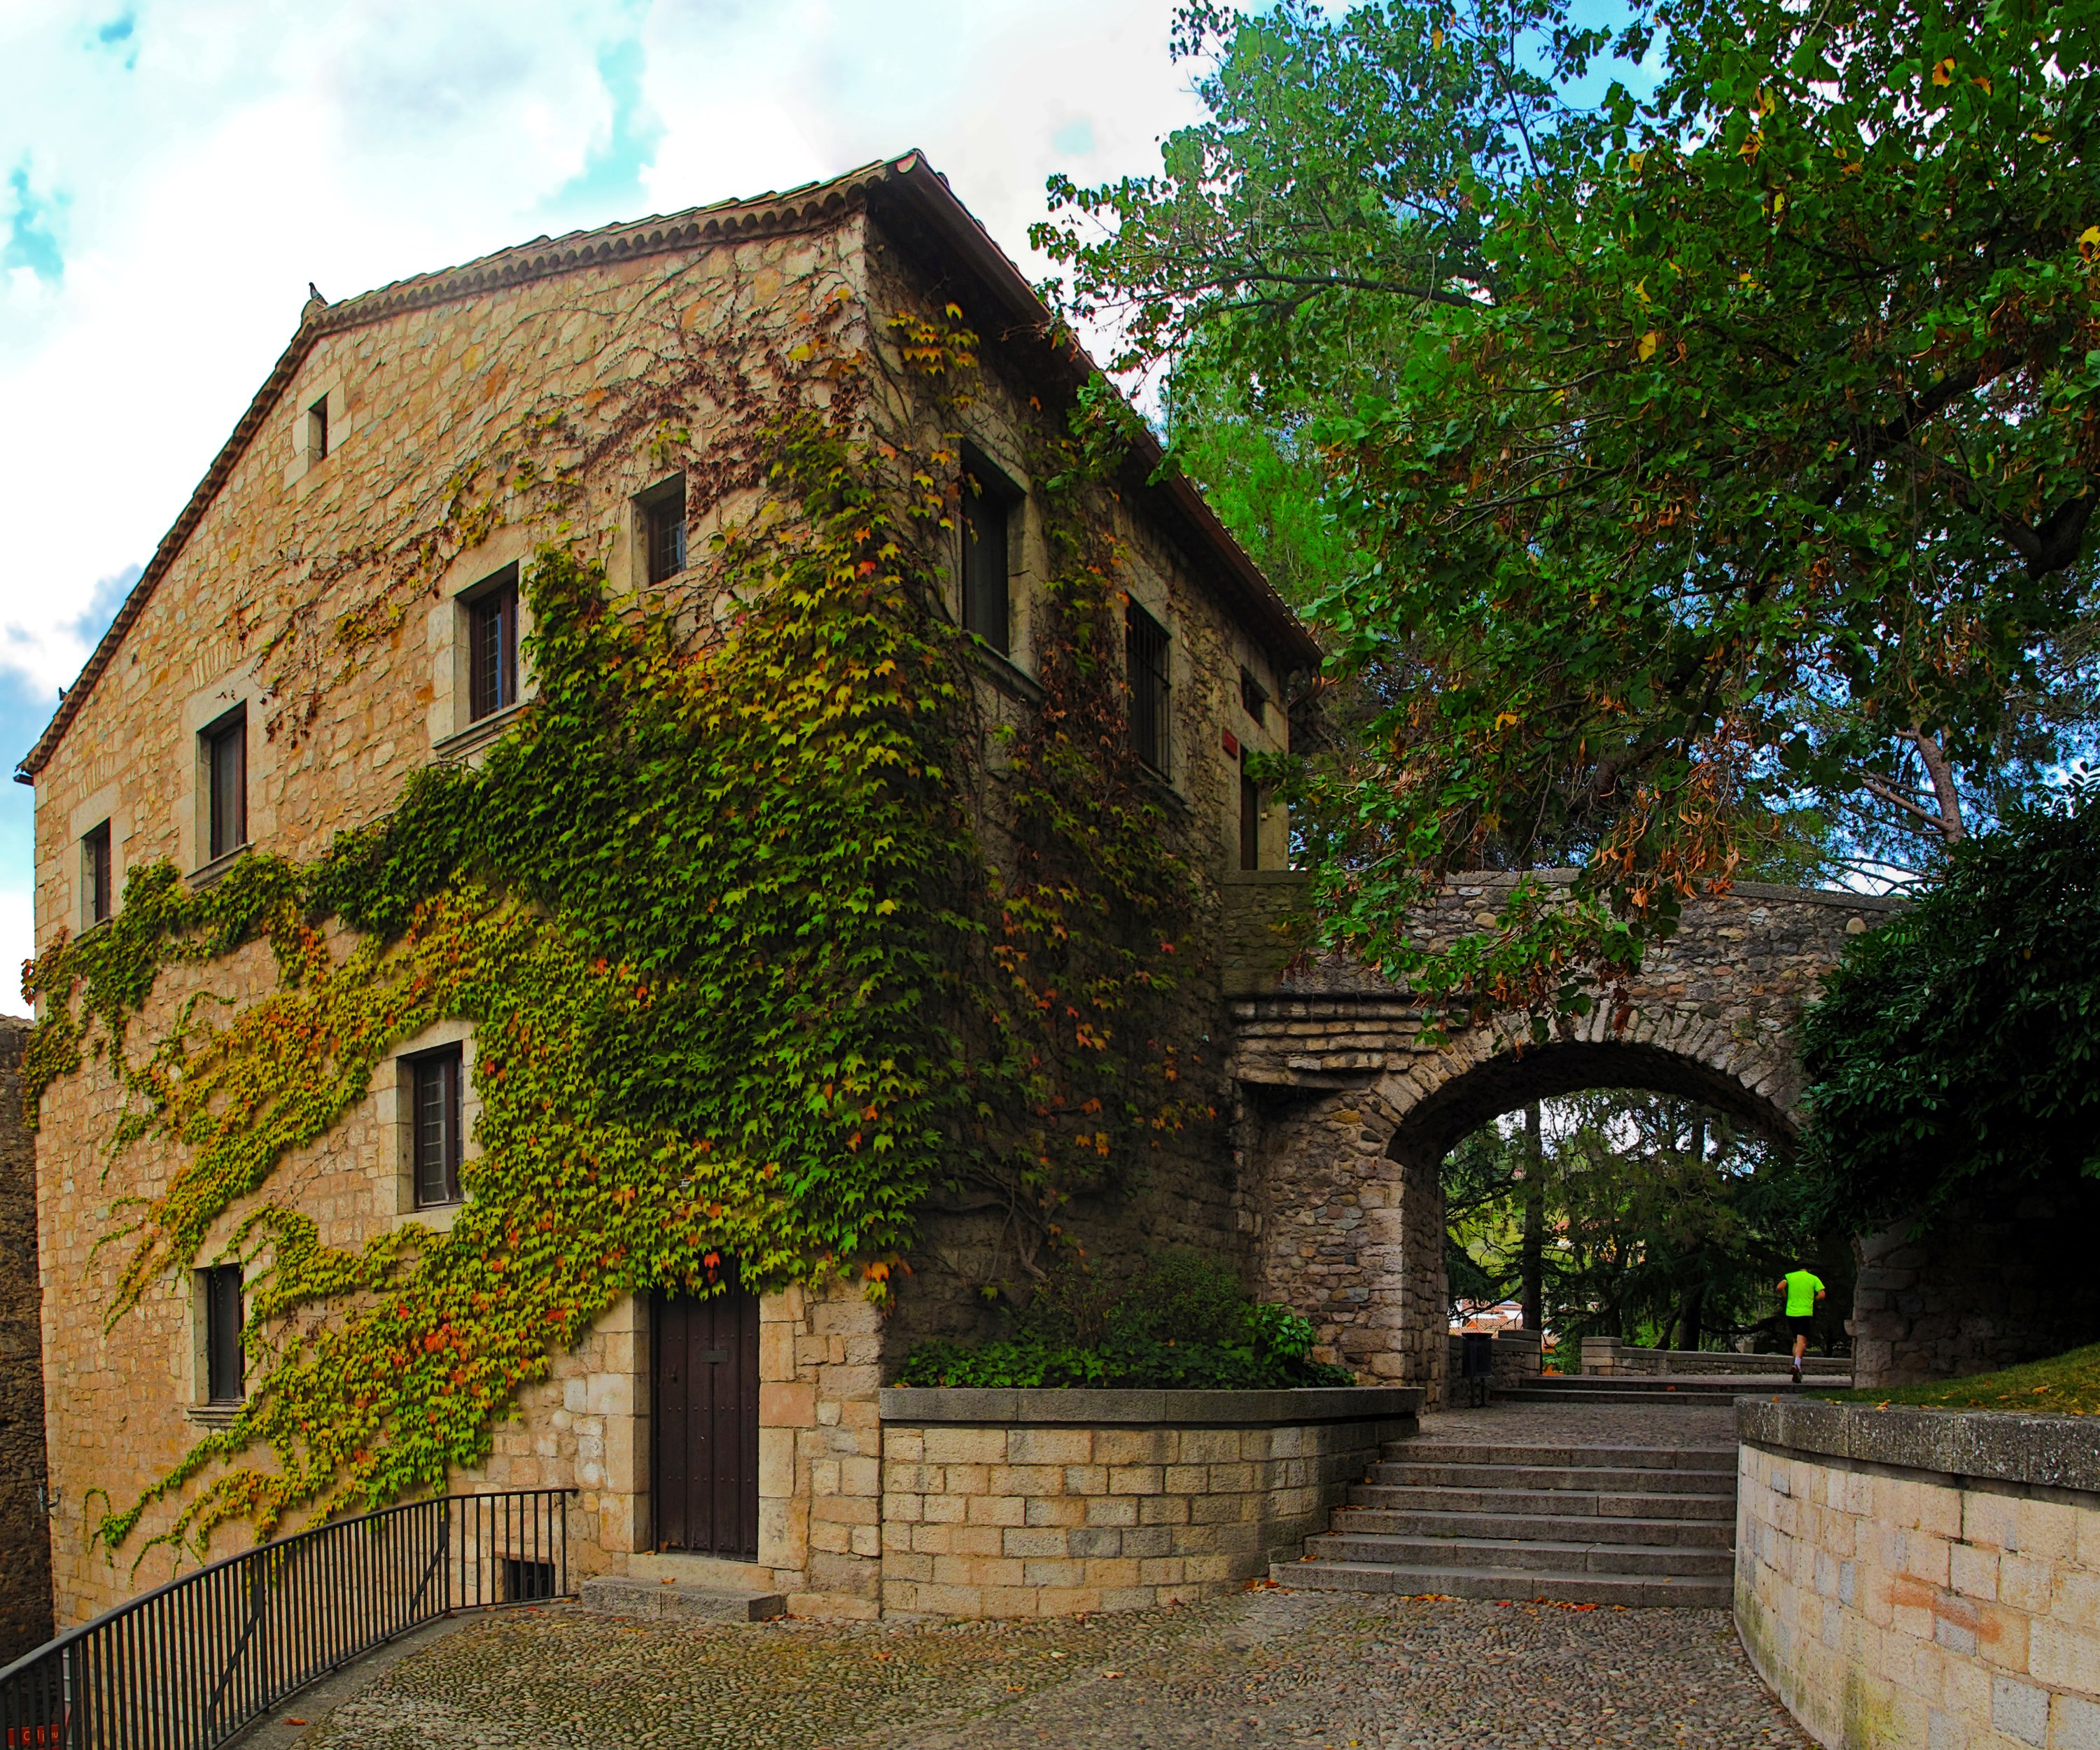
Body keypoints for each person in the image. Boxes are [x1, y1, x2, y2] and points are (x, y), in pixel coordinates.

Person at [1778, 1265, 1826, 1383]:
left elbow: (1780, 1287)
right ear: (1809, 1269)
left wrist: (1786, 1297)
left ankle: (1797, 1369)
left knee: (1795, 1341)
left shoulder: (1789, 1276)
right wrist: (1813, 1299)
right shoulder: (1813, 1278)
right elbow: (1822, 1294)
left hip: (1791, 1312)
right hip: (1805, 1313)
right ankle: (1797, 1365)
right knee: (1802, 1341)